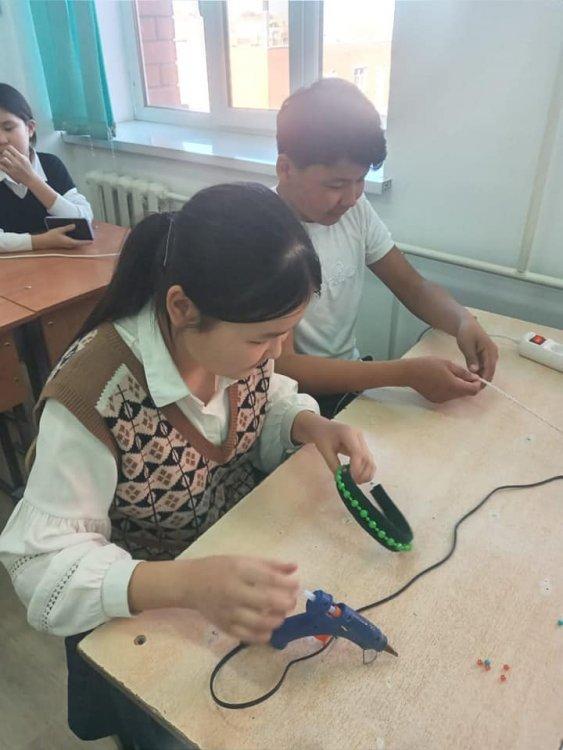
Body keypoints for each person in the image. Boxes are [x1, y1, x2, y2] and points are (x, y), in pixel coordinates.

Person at [0, 183, 374, 749]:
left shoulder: (233, 347)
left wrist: (307, 423)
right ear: (181, 308)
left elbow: (263, 400)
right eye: (264, 338)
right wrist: (185, 582)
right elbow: (39, 566)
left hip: (228, 569)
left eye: (282, 334)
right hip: (150, 615)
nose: (276, 352)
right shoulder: (94, 398)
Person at [274, 78, 499, 418]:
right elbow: (285, 367)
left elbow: (412, 286)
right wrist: (404, 373)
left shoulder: (353, 211)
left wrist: (462, 321)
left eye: (360, 180)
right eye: (336, 184)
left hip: (346, 383)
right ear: (286, 169)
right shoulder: (266, 235)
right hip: (293, 407)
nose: (351, 197)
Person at [0, 83, 93, 252]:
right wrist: (41, 241)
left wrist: (32, 180)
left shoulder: (50, 165)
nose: (1, 139)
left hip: (58, 260)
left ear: (30, 128)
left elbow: (83, 219)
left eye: (8, 128)